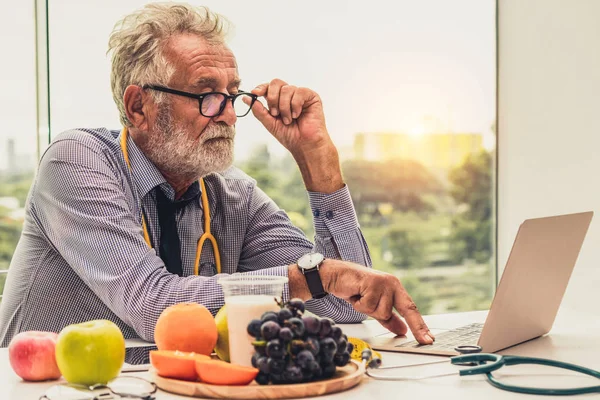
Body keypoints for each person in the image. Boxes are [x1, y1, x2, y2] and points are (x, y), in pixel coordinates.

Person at [0, 3, 434, 348]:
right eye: (207, 94)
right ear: (139, 108)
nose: (228, 113)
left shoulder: (233, 195)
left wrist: (317, 159)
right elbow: (155, 305)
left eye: (232, 93)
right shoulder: (75, 161)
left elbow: (343, 308)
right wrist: (314, 278)